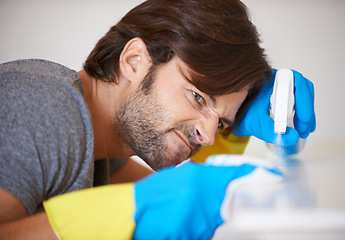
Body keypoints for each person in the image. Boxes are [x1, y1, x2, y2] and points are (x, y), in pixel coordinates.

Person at [0, 0, 316, 239]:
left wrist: (233, 131)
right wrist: (118, 216)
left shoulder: (97, 150)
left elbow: (177, 204)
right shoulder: (42, 109)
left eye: (220, 122)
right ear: (134, 61)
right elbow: (144, 206)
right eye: (198, 97)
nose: (207, 136)